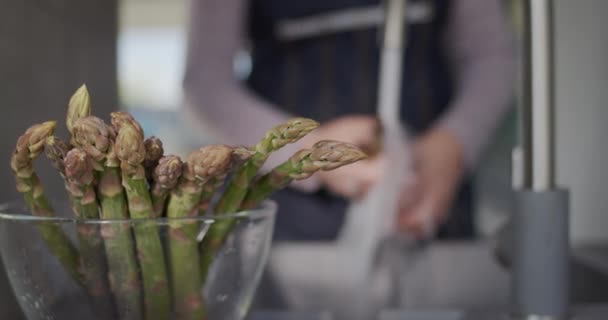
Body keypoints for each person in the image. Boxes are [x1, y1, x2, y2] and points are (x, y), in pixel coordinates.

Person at [182, 0, 515, 241]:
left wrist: (452, 144)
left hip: (430, 203)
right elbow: (206, 85)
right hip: (289, 221)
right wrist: (307, 151)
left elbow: (491, 60)